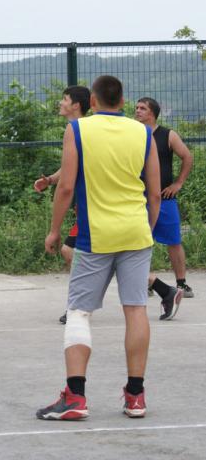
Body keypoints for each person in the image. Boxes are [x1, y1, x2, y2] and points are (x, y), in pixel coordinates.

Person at [36, 75, 160, 421]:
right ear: (123, 101)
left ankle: (75, 396)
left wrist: (55, 230)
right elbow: (153, 192)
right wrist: (146, 228)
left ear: (92, 101)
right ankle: (135, 395)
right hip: (136, 231)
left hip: (95, 235)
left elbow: (65, 188)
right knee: (135, 310)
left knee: (78, 311)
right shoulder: (143, 133)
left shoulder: (78, 131)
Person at [33, 86, 91, 324]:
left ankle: (78, 306)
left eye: (64, 99)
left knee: (70, 252)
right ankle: (164, 289)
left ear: (76, 105)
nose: (60, 102)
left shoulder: (79, 129)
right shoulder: (79, 129)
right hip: (88, 207)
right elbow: (70, 167)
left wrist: (53, 230)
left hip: (92, 207)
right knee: (111, 259)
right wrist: (51, 180)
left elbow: (68, 184)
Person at [135, 97, 194, 297]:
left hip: (164, 198)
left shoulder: (168, 135)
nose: (137, 111)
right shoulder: (133, 135)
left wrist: (178, 183)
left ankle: (182, 284)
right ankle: (147, 283)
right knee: (140, 242)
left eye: (142, 108)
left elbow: (187, 156)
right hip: (139, 198)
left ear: (152, 113)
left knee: (174, 241)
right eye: (137, 107)